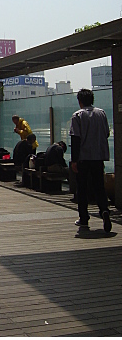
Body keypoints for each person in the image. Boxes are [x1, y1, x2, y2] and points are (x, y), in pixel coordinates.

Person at [70, 88, 111, 233]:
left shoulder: (78, 116)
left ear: (80, 101)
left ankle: (84, 217)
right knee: (99, 186)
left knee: (82, 188)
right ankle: (104, 210)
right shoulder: (102, 113)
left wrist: (74, 160)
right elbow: (106, 133)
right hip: (98, 156)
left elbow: (75, 138)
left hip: (83, 157)